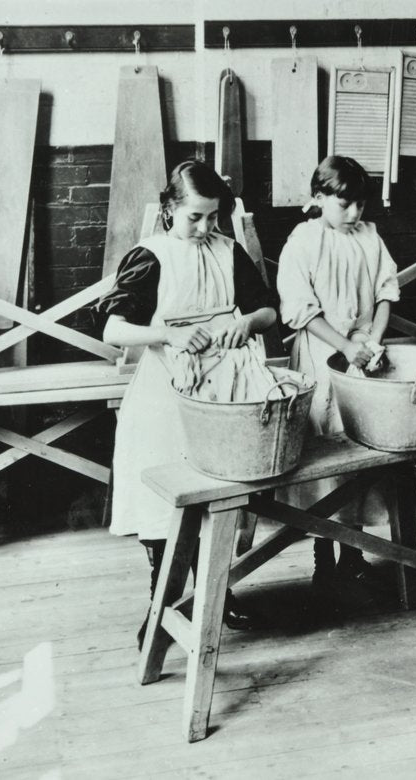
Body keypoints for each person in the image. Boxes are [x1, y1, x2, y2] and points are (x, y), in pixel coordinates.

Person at [92, 160, 279, 646]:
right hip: (166, 389)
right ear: (170, 209)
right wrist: (169, 336)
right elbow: (113, 328)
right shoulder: (151, 255)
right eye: (194, 216)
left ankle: (214, 594)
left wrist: (248, 323)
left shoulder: (227, 251)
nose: (204, 227)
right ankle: (161, 604)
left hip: (224, 385)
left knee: (218, 490)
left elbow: (268, 309)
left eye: (213, 217)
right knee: (164, 499)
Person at [276, 156, 400, 606]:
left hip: (363, 352)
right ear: (319, 198)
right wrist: (344, 346)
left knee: (360, 449)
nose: (354, 214)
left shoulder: (369, 236)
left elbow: (387, 291)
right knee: (326, 448)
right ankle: (322, 559)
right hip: (320, 354)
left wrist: (371, 340)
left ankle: (354, 556)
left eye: (360, 205)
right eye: (344, 204)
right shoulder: (304, 241)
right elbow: (300, 309)